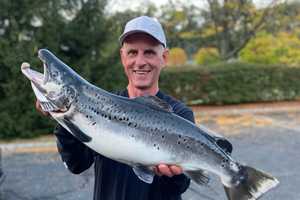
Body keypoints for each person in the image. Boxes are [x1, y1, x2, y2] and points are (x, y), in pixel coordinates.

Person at [36, 16, 232, 200]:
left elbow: (177, 188)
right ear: (123, 57)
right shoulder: (99, 106)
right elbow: (76, 164)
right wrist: (62, 119)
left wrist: (174, 175)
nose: (140, 61)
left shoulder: (179, 114)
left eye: (149, 52)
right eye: (132, 52)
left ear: (164, 57)